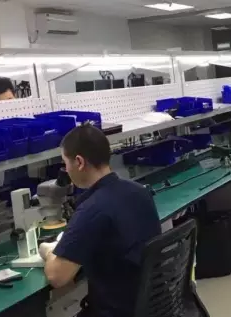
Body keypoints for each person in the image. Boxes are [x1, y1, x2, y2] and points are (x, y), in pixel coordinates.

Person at [38, 125, 161, 317]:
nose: (66, 170)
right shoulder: (139, 191)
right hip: (152, 306)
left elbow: (57, 277)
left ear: (79, 162)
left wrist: (48, 251)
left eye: (66, 163)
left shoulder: (92, 209)